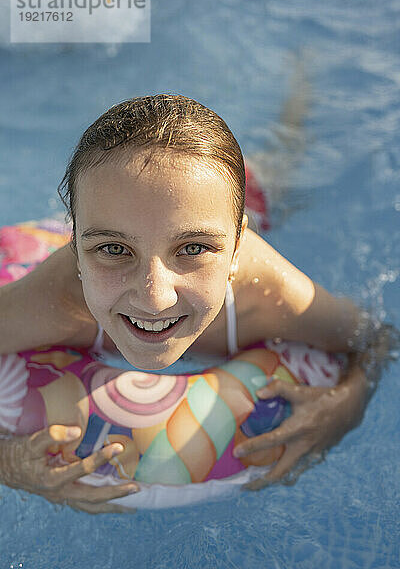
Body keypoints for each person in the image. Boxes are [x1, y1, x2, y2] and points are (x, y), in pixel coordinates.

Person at [0, 93, 392, 514]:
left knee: (282, 164)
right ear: (76, 247)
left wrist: (348, 404)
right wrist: (10, 464)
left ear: (237, 248)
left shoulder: (268, 297)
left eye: (193, 249)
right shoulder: (54, 302)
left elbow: (375, 339)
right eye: (113, 249)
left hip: (249, 198)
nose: (154, 297)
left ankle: (299, 97)